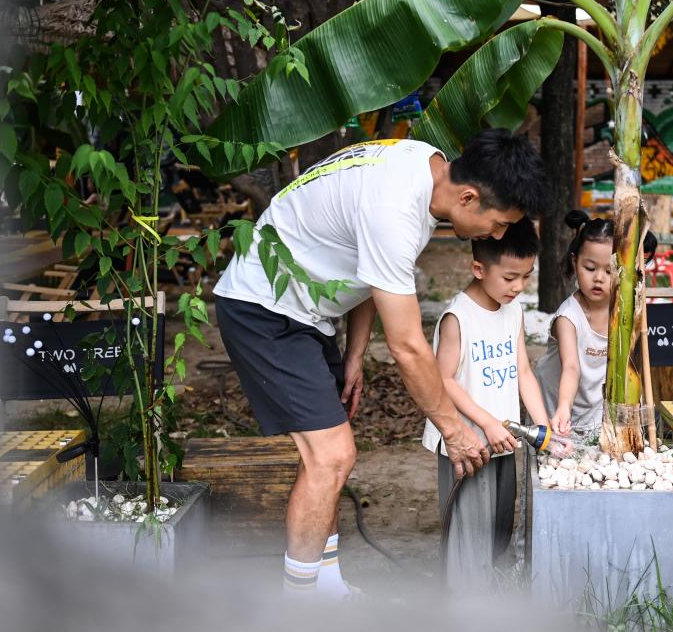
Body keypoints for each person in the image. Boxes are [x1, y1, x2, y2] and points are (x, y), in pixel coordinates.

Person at [212, 130, 548, 599]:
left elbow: (373, 271)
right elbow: (408, 346)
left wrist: (354, 354)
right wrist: (453, 431)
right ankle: (299, 603)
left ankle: (327, 588)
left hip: (309, 311)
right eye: (497, 224)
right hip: (264, 307)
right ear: (469, 197)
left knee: (327, 461)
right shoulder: (395, 209)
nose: (496, 236)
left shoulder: (424, 164)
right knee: (332, 456)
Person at [421, 217, 554, 590]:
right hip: (467, 444)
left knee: (497, 526)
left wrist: (542, 424)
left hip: (502, 440)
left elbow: (523, 370)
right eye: (510, 277)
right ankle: (467, 602)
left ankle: (485, 593)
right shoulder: (458, 317)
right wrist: (488, 422)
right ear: (478, 269)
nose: (519, 286)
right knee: (470, 532)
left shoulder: (513, 310)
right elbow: (443, 380)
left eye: (526, 276)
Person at [535, 210, 657, 437]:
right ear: (575, 262)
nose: (599, 278)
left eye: (609, 270)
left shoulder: (622, 312)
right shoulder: (568, 317)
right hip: (557, 408)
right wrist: (564, 407)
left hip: (594, 408)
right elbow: (571, 367)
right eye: (590, 268)